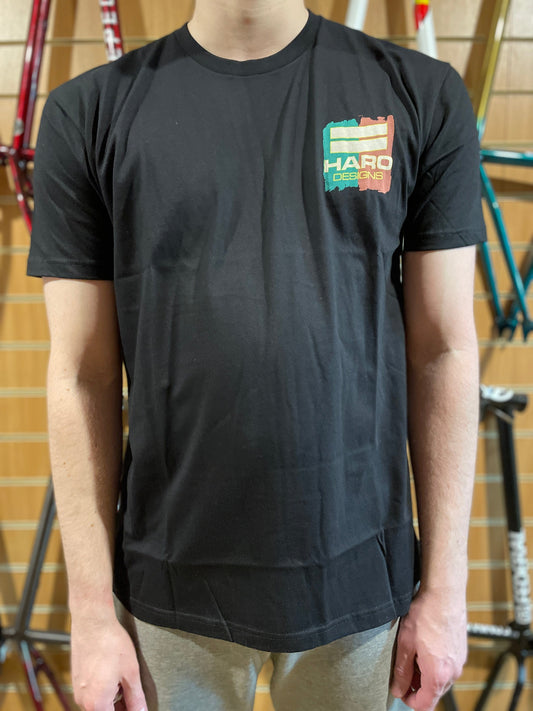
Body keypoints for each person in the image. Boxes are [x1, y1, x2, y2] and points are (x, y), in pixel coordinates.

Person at [27, 1, 486, 709]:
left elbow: (444, 351)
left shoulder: (420, 94)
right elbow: (80, 375)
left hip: (364, 593)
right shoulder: (87, 113)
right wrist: (89, 614)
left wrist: (446, 590)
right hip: (168, 593)